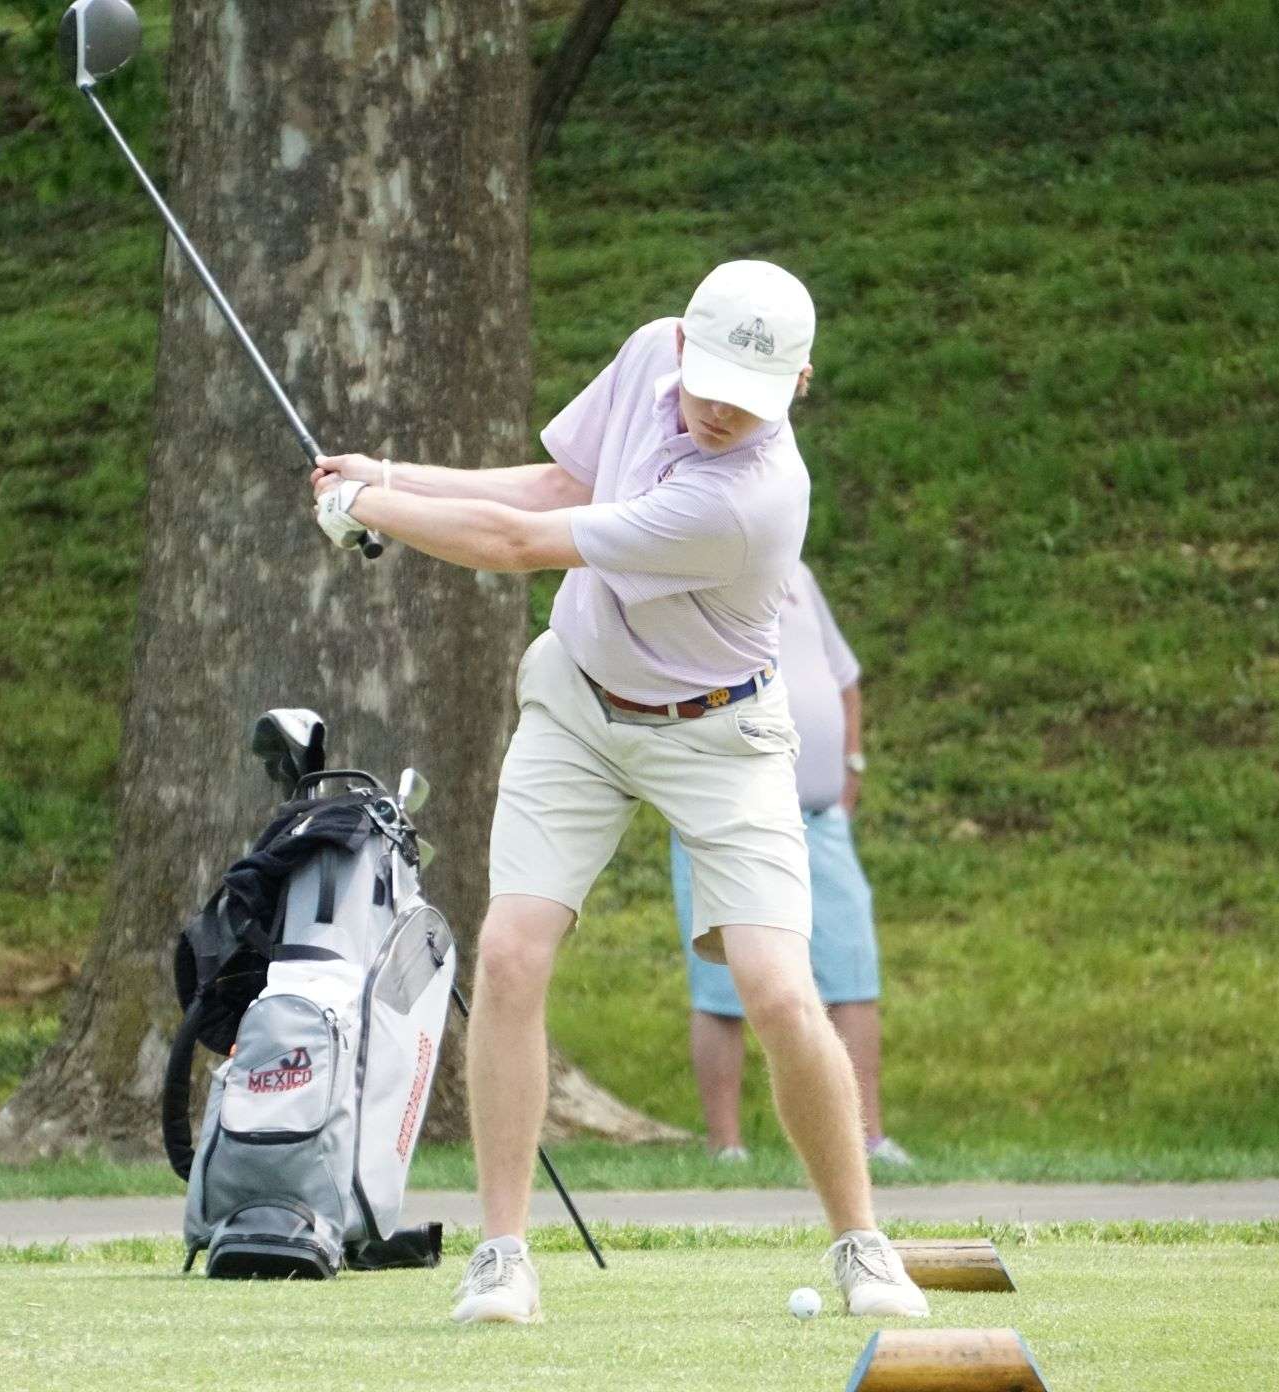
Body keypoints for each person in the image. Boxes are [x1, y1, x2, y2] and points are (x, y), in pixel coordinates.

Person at [308, 260, 928, 1325]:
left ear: (800, 383)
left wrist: (375, 508)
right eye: (711, 380)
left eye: (754, 395)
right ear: (680, 343)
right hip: (580, 709)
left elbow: (516, 546)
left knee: (778, 990)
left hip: (721, 736)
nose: (723, 410)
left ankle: (861, 1244)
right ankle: (502, 1255)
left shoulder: (747, 498)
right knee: (507, 952)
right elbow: (555, 487)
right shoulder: (649, 353)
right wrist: (396, 477)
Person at [670, 560, 914, 1168]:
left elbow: (845, 680)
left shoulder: (799, 574)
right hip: (723, 818)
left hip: (819, 820)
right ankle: (726, 1147)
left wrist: (851, 770)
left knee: (852, 972)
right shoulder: (683, 573)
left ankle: (867, 1138)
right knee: (722, 981)